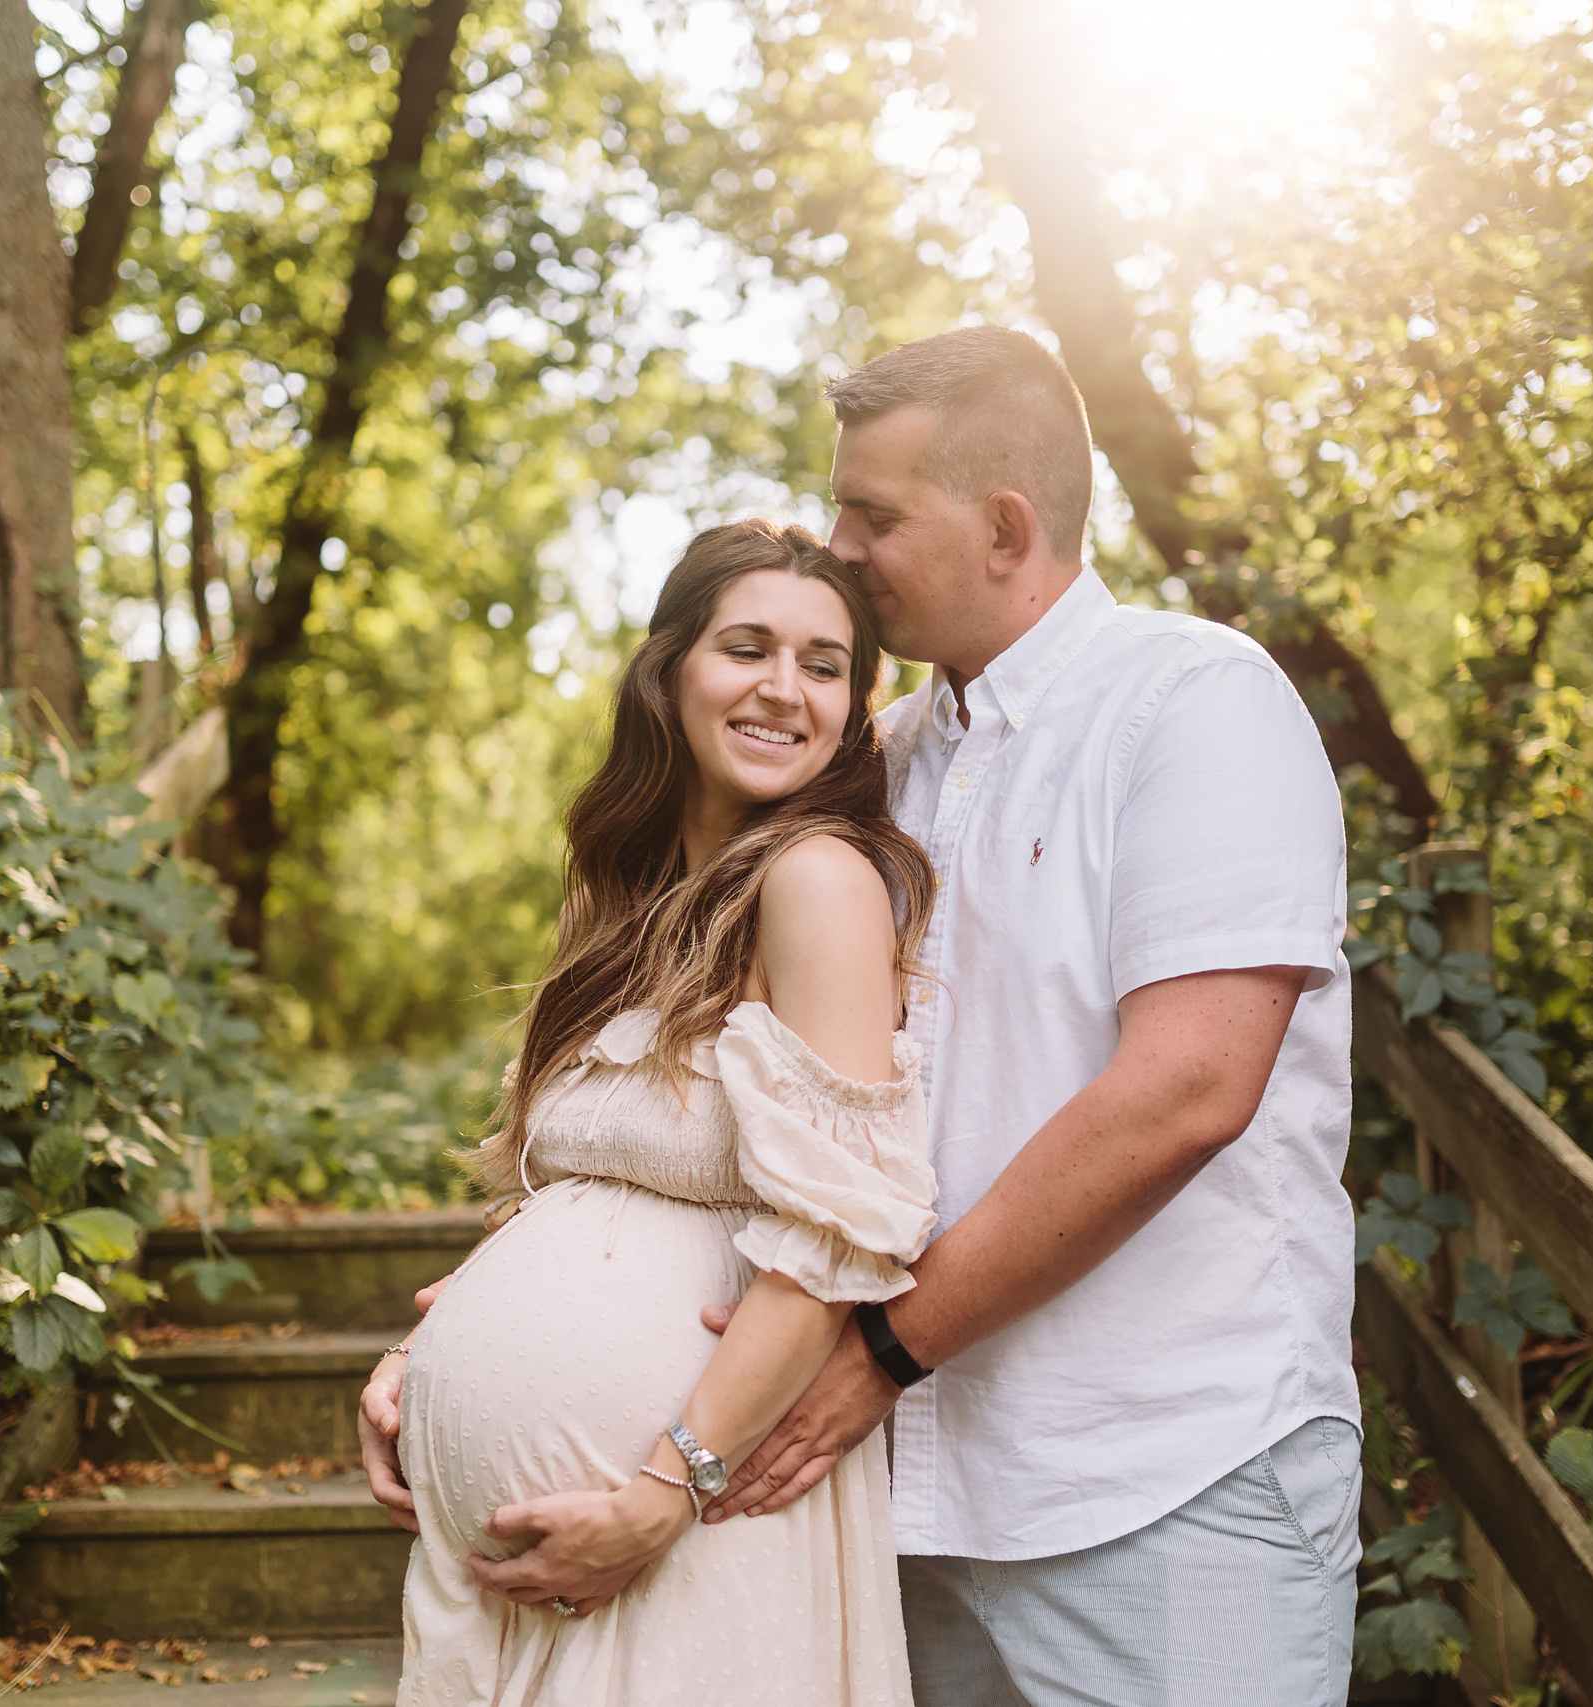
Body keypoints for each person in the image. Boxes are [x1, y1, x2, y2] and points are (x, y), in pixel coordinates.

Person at [370, 325, 1362, 1705]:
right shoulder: (872, 766)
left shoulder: (1194, 706)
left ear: (1006, 523)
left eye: (872, 513)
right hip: (897, 1492)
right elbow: (712, 1116)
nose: (843, 540)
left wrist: (881, 1347)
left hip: (1155, 1466)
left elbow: (1188, 1088)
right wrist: (477, 1316)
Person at [376, 518, 941, 1705]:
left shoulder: (817, 881)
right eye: (746, 648)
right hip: (527, 1565)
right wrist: (412, 1363)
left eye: (824, 665)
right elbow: (557, 1206)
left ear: (853, 705)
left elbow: (834, 1244)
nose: (783, 690)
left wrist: (658, 1498)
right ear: (669, 668)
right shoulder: (632, 898)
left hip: (694, 1528)